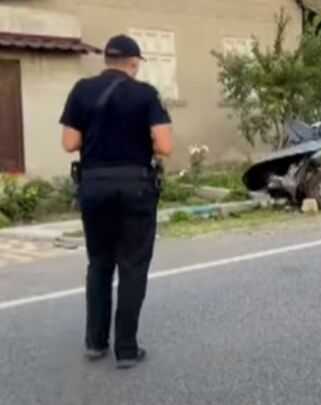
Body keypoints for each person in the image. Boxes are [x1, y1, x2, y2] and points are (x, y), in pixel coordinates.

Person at [60, 34, 173, 369]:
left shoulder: (82, 90)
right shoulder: (145, 94)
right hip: (135, 186)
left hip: (93, 186)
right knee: (133, 266)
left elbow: (69, 143)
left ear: (106, 60)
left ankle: (95, 343)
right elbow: (164, 145)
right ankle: (126, 350)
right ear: (134, 63)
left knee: (99, 263)